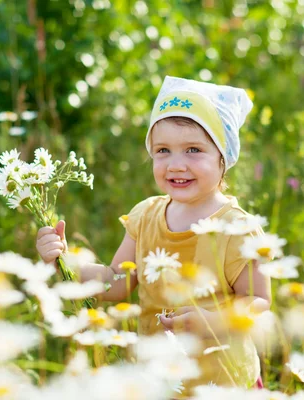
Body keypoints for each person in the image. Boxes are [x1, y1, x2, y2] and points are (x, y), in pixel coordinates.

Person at [36, 76, 271, 395]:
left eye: (193, 150)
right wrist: (62, 262)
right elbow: (116, 281)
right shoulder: (146, 216)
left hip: (225, 382)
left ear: (223, 157)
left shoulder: (237, 228)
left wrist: (212, 321)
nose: (176, 164)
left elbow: (257, 300)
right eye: (163, 150)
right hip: (159, 380)